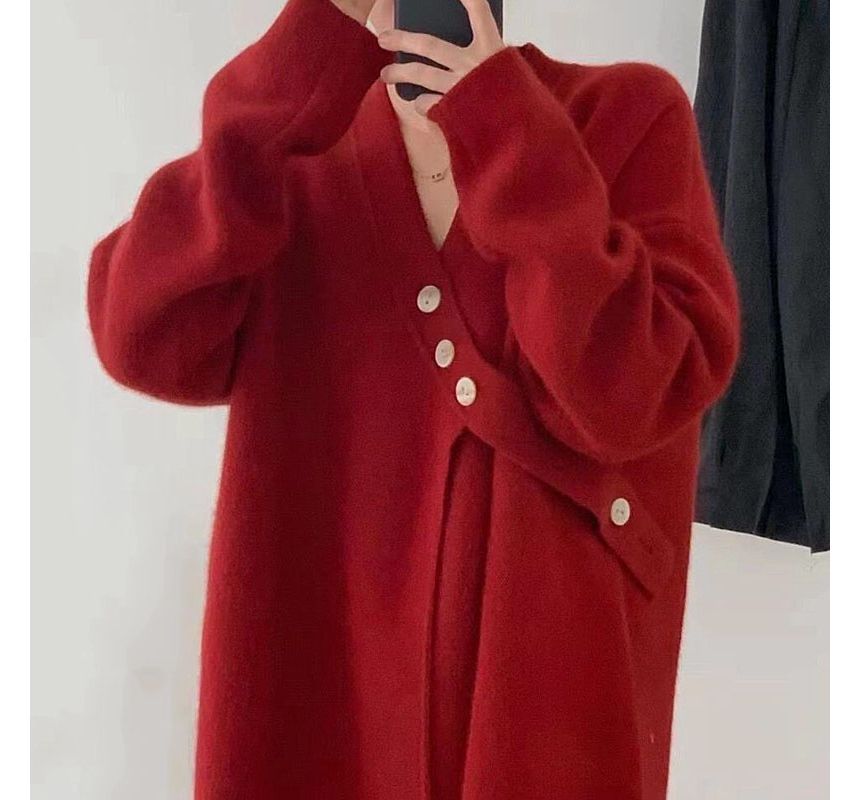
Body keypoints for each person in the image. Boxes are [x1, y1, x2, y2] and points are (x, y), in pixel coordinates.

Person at [86, 1, 741, 798]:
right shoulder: (291, 156)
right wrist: (301, 58)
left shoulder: (627, 116)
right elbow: (140, 333)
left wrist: (505, 126)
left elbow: (637, 394)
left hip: (541, 697)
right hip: (325, 681)